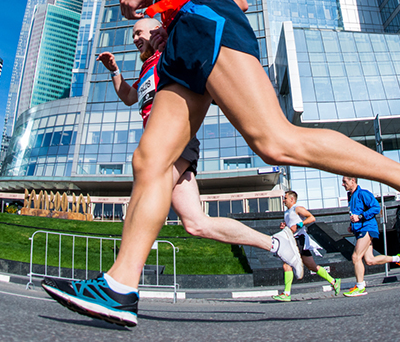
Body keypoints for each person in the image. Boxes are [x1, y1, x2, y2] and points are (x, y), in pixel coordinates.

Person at [42, 0, 400, 327]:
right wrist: (172, 15)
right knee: (151, 160)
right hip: (188, 34)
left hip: (206, 24)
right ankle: (120, 286)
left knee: (274, 142)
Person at [96, 16, 303, 281]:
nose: (136, 39)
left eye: (139, 33)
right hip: (161, 144)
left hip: (175, 137)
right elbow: (128, 96)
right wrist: (114, 70)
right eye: (133, 36)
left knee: (146, 192)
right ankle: (277, 244)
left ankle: (119, 280)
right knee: (196, 224)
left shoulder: (167, 56)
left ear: (156, 31)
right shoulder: (146, 68)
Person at [340, 176, 400, 296]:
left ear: (353, 181)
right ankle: (398, 259)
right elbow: (356, 213)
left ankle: (360, 286)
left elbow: (376, 208)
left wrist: (360, 217)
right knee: (370, 260)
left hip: (367, 228)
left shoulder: (363, 193)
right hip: (359, 229)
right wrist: (352, 226)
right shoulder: (351, 197)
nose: (342, 185)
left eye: (344, 182)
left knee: (356, 257)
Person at [272, 190, 341, 301]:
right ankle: (334, 281)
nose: (283, 200)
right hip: (293, 239)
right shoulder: (286, 212)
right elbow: (291, 225)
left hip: (299, 239)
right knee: (312, 266)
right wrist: (285, 225)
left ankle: (286, 293)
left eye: (285, 198)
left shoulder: (297, 208)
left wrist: (300, 224)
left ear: (292, 199)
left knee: (287, 264)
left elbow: (311, 218)